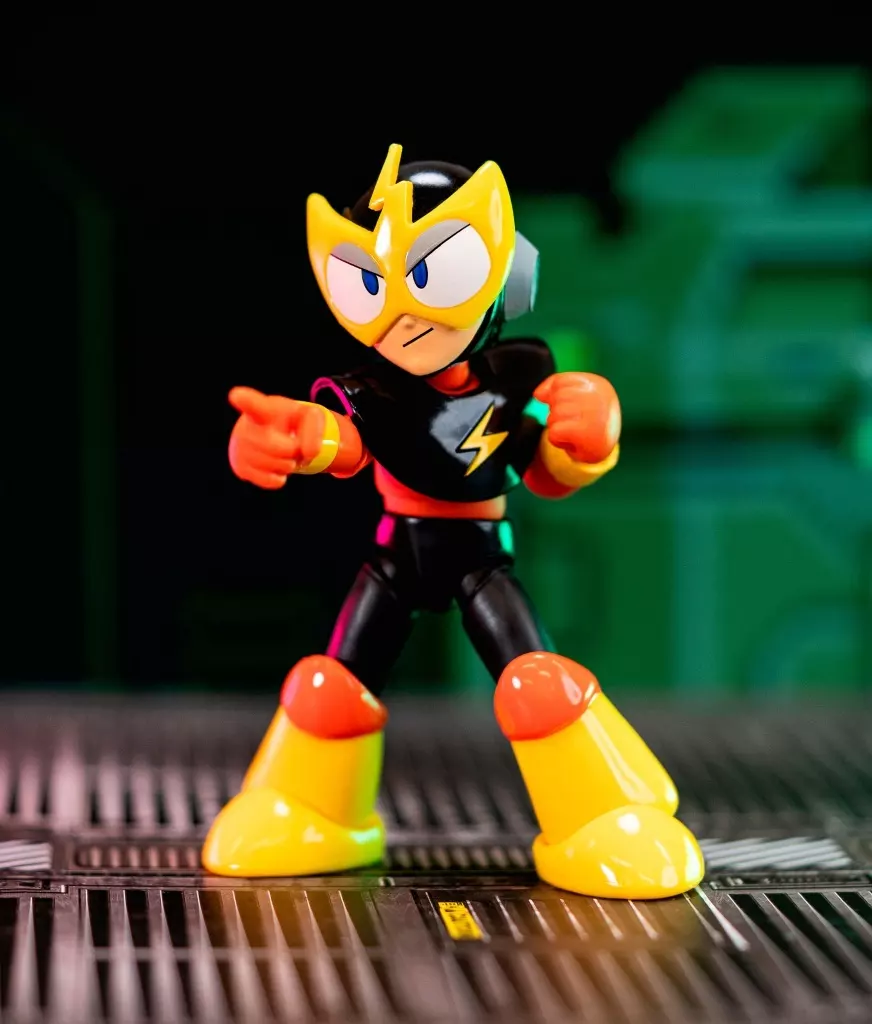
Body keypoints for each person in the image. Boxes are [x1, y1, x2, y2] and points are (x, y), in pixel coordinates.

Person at [201, 144, 704, 899]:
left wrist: (589, 440)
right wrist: (295, 440)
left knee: (538, 683)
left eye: (432, 271)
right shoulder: (372, 390)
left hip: (479, 556)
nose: (402, 311)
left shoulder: (520, 376)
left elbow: (546, 472)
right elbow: (342, 441)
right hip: (396, 553)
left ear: (498, 270)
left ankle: (607, 813)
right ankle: (308, 810)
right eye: (370, 282)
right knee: (330, 683)